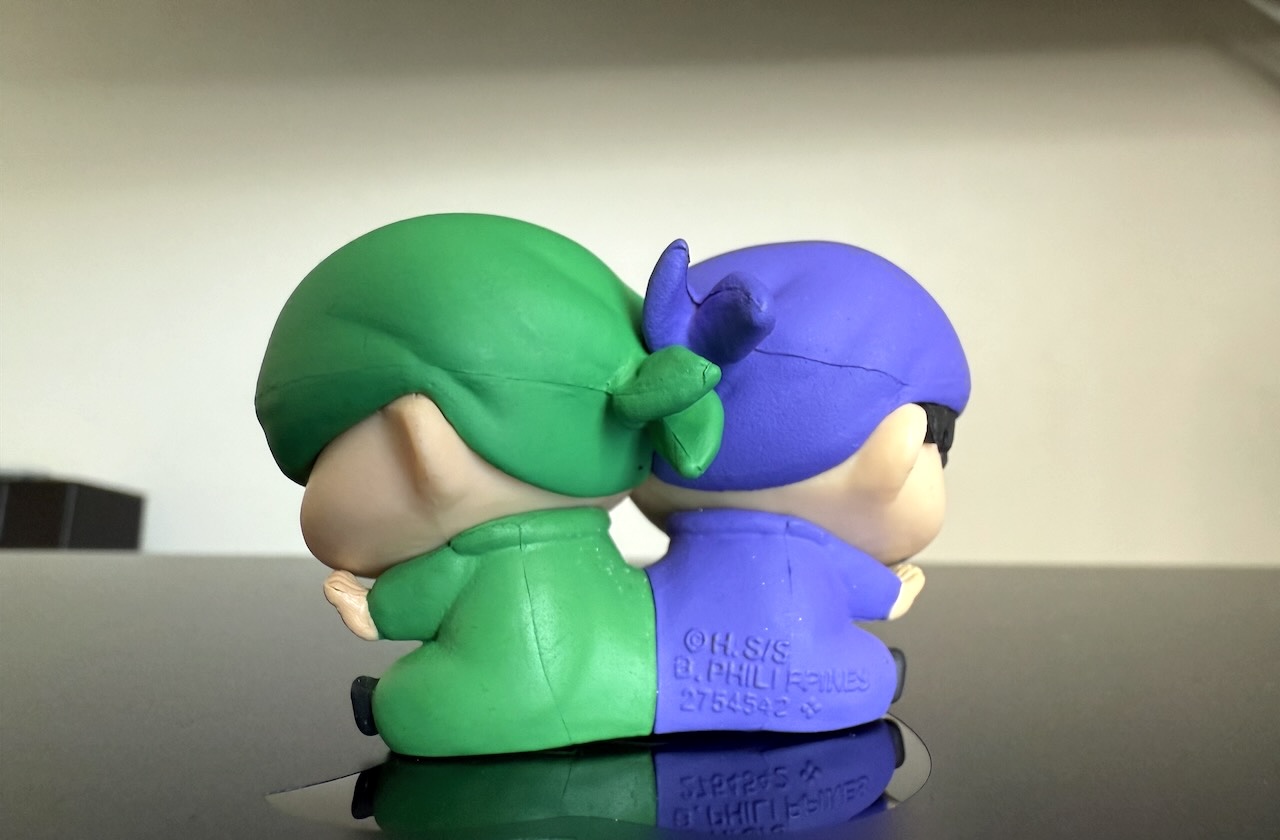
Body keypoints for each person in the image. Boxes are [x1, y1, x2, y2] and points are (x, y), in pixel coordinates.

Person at [255, 214, 723, 756]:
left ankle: (381, 705)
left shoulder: (476, 556)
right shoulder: (590, 543)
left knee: (412, 701)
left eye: (316, 465)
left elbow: (432, 592)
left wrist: (372, 610)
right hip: (631, 683)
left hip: (519, 695)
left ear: (418, 446)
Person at [634, 238, 971, 734]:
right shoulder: (805, 550)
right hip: (801, 678)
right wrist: (895, 593)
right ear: (900, 451)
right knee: (871, 672)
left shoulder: (689, 537)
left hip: (664, 664)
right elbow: (859, 585)